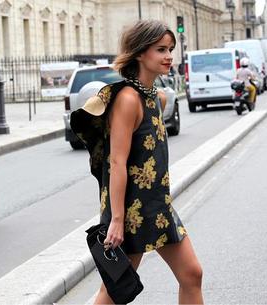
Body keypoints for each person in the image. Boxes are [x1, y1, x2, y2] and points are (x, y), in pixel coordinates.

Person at [71, 20, 204, 304]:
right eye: (160, 50)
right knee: (114, 292)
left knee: (192, 274)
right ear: (140, 53)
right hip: (130, 212)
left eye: (170, 49)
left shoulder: (159, 97)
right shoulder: (128, 99)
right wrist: (116, 220)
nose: (169, 56)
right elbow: (117, 163)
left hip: (157, 206)